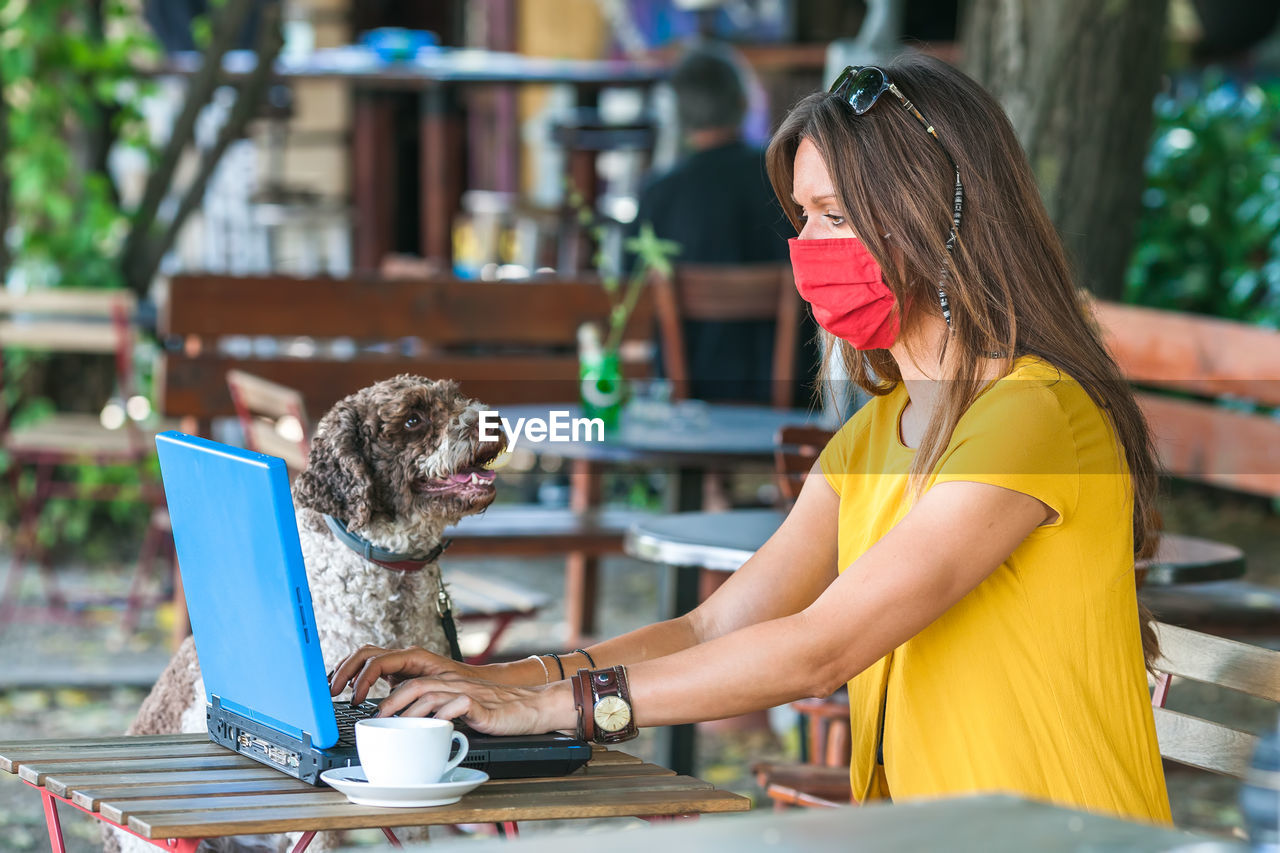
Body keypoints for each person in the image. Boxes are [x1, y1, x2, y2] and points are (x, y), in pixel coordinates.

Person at [330, 54, 1172, 823]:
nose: (806, 249)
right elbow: (712, 627)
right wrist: (493, 681)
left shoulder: (1032, 417)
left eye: (836, 216)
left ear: (937, 217)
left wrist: (552, 708)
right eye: (802, 217)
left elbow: (821, 648)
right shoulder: (877, 432)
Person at [632, 41, 814, 405]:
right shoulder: (787, 176)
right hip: (789, 392)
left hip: (689, 394)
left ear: (680, 119)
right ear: (744, 105)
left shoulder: (659, 194)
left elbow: (634, 294)